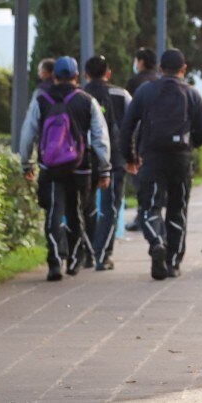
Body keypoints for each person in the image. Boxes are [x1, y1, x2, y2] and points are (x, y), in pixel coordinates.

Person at [120, 48, 202, 280]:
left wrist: (130, 157)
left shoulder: (145, 91)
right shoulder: (191, 94)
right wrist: (190, 146)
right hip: (180, 160)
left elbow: (127, 126)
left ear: (160, 68)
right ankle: (173, 262)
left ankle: (156, 242)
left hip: (152, 159)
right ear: (184, 69)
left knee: (149, 207)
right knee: (177, 210)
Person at [19, 56, 111, 281]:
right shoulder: (87, 101)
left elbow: (28, 133)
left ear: (54, 76)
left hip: (50, 166)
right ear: (77, 76)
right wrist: (104, 168)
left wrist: (26, 163)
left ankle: (54, 261)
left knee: (54, 212)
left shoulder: (41, 100)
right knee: (76, 212)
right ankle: (74, 259)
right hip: (80, 166)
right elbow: (100, 137)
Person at [83, 55, 132, 271]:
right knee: (109, 207)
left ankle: (87, 253)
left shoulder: (79, 95)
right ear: (108, 73)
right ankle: (102, 255)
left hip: (83, 160)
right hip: (114, 160)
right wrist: (132, 156)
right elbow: (133, 126)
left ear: (85, 74)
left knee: (85, 206)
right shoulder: (121, 95)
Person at [123, 46, 160, 233]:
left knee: (140, 180)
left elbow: (129, 115)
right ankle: (155, 216)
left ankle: (142, 216)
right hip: (159, 138)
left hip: (140, 138)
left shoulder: (135, 83)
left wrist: (128, 151)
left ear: (141, 62)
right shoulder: (159, 82)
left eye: (136, 60)